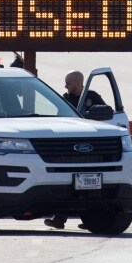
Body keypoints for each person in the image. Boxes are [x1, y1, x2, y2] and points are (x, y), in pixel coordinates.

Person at [45, 70, 107, 230]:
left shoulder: (92, 97)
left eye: (69, 83)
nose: (65, 86)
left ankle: (89, 220)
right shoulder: (64, 99)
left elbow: (106, 114)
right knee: (67, 185)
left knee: (88, 188)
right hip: (70, 148)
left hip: (90, 149)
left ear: (79, 84)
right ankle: (59, 218)